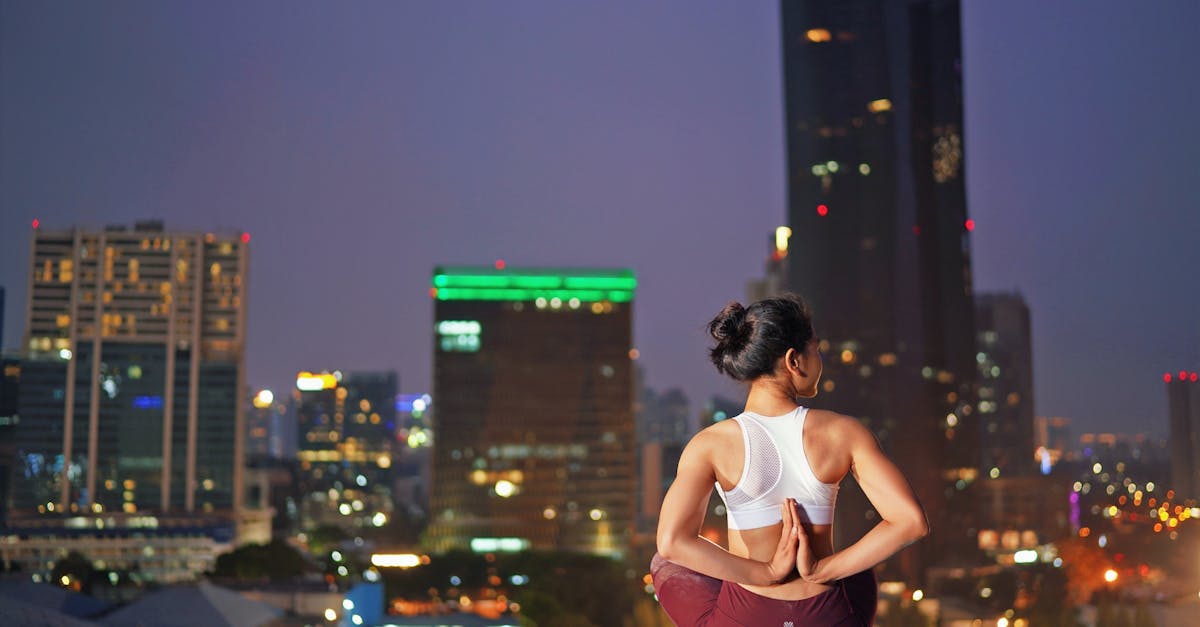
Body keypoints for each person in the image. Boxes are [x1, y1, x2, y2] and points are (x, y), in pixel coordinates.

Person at [652, 294, 929, 626]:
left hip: (747, 615)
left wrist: (766, 573)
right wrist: (822, 569)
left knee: (663, 564)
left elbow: (671, 543)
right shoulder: (844, 432)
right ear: (793, 360)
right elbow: (910, 521)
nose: (821, 359)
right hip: (827, 614)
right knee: (858, 572)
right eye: (817, 349)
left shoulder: (710, 443)